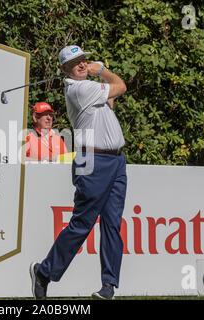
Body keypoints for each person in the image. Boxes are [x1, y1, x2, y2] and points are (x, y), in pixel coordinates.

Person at [29, 45, 127, 300]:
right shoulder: (80, 89)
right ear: (65, 70)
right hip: (92, 160)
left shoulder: (90, 89)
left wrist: (102, 78)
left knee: (112, 225)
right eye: (76, 63)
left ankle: (109, 286)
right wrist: (103, 70)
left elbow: (110, 102)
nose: (83, 64)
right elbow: (121, 87)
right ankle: (44, 272)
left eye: (84, 60)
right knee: (82, 224)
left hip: (116, 160)